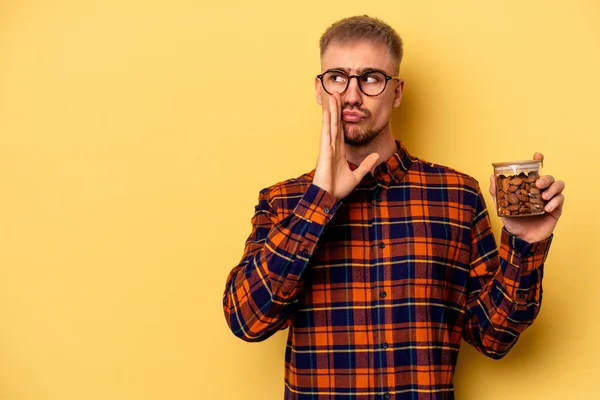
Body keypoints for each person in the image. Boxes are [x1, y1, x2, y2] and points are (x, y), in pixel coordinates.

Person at [222, 15, 565, 400]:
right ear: (319, 90)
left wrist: (525, 247)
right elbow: (247, 321)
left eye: (370, 78)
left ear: (397, 91)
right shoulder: (281, 202)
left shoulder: (457, 196)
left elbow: (493, 338)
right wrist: (320, 200)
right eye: (337, 77)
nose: (351, 95)